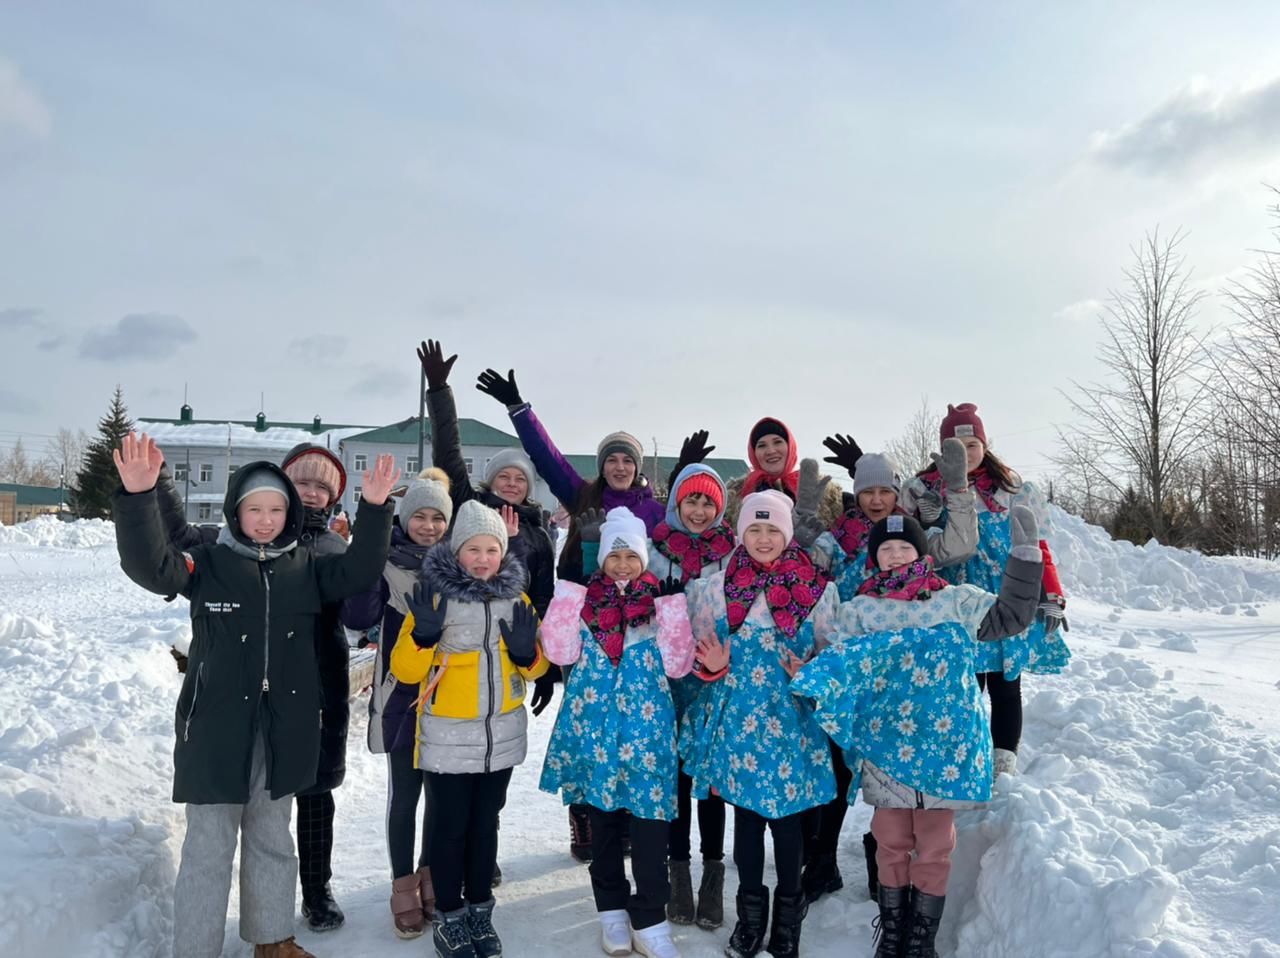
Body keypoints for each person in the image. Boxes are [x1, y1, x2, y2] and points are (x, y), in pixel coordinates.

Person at [111, 432, 396, 958]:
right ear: (235, 512)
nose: (265, 519)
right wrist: (138, 498)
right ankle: (195, 949)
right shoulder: (207, 563)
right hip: (216, 731)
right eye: (254, 509)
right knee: (208, 848)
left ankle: (273, 939)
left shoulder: (307, 569)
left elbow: (359, 572)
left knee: (273, 840)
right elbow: (152, 568)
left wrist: (375, 508)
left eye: (275, 509)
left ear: (289, 514)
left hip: (282, 729)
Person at [789, 509, 1043, 957]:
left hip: (943, 748)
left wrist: (1024, 563)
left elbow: (1009, 618)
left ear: (920, 552)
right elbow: (838, 663)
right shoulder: (859, 611)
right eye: (885, 548)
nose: (894, 554)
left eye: (904, 546)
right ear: (874, 558)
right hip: (885, 748)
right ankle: (893, 933)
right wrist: (809, 669)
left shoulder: (955, 601)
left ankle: (920, 940)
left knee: (934, 843)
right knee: (890, 839)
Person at [152, 441, 359, 931]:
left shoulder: (331, 549)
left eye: (320, 487)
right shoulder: (233, 539)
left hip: (317, 681)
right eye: (301, 483)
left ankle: (315, 890)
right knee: (258, 809)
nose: (310, 493)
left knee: (312, 793)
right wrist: (158, 482)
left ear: (331, 499)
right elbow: (181, 536)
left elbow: (361, 598)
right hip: (245, 690)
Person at [475, 365, 666, 860]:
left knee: (631, 727)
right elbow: (547, 456)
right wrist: (520, 409)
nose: (620, 466)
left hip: (637, 630)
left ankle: (622, 817)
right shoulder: (583, 497)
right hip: (584, 626)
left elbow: (692, 528)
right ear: (603, 466)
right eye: (613, 460)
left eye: (628, 460)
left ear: (637, 466)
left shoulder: (653, 509)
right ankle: (583, 818)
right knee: (585, 722)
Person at [792, 443, 978, 902]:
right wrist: (802, 519)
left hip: (906, 680)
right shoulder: (840, 537)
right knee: (839, 766)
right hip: (851, 666)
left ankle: (883, 858)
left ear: (896, 492)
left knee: (893, 770)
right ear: (856, 494)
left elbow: (958, 544)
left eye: (883, 490)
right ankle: (822, 860)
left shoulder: (915, 534)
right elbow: (800, 561)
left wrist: (958, 490)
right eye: (867, 491)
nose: (875, 500)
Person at [680, 490, 840, 958]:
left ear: (787, 534)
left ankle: (788, 922)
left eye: (773, 529)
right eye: (755, 529)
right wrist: (710, 664)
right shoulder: (716, 587)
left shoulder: (818, 591)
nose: (764, 538)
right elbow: (698, 655)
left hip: (793, 723)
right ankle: (750, 921)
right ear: (741, 532)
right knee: (746, 823)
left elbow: (834, 662)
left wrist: (809, 673)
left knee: (789, 827)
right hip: (740, 725)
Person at [390, 499, 550, 958]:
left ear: (503, 553)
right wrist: (422, 635)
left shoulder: (516, 598)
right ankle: (451, 916)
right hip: (446, 736)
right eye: (473, 549)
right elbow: (404, 670)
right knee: (450, 828)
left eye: (491, 549)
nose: (482, 559)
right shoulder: (433, 595)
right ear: (456, 550)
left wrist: (527, 654)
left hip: (500, 737)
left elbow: (538, 669)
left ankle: (481, 911)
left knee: (486, 826)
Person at [539, 507, 696, 958]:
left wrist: (672, 610)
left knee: (650, 828)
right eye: (615, 555)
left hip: (647, 735)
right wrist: (568, 593)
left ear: (644, 558)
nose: (623, 564)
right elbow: (558, 649)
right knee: (603, 824)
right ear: (602, 559)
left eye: (632, 555)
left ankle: (650, 916)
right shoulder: (586, 603)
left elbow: (679, 664)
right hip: (596, 731)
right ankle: (610, 910)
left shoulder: (660, 602)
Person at [900, 403, 1071, 776]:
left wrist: (1051, 594)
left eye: (973, 443)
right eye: (957, 447)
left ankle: (1003, 763)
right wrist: (926, 519)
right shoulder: (923, 489)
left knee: (1006, 684)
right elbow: (905, 545)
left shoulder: (1012, 488)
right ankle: (965, 752)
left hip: (1005, 594)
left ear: (984, 443)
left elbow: (1036, 545)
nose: (967, 453)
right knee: (963, 684)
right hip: (953, 599)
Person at [419, 340, 558, 717]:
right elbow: (448, 452)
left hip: (513, 644)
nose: (512, 483)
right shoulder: (470, 506)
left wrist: (543, 664)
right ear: (491, 481)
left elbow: (542, 597)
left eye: (520, 479)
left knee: (502, 719)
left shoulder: (538, 534)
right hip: (461, 637)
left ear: (529, 487)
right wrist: (438, 391)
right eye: (504, 476)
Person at [341, 469, 453, 938]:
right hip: (401, 694)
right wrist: (366, 559)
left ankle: (430, 877)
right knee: (406, 794)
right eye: (419, 517)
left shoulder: (458, 565)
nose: (428, 526)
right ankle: (402, 886)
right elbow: (358, 616)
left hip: (450, 698)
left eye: (437, 518)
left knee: (441, 795)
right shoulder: (385, 563)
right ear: (404, 519)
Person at [721, 418, 844, 531]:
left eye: (777, 442)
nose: (771, 451)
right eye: (762, 445)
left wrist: (857, 470)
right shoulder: (735, 494)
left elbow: (856, 525)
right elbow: (709, 526)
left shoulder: (822, 489)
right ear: (753, 452)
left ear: (790, 446)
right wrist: (700, 474)